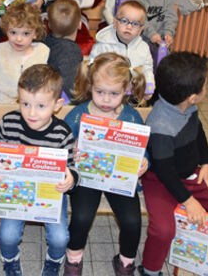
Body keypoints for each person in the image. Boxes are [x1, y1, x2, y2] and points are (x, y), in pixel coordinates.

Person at [139, 52, 208, 276]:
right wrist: (189, 201)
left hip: (190, 175)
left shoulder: (187, 107)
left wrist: (206, 163)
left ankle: (194, 253)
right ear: (192, 96)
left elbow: (197, 131)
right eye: (205, 85)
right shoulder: (161, 126)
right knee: (163, 230)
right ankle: (149, 270)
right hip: (160, 180)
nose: (207, 88)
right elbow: (164, 170)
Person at [0, 64, 78, 276]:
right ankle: (10, 260)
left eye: (41, 106)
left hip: (50, 193)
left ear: (57, 105)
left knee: (60, 238)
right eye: (25, 103)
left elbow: (72, 166)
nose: (32, 113)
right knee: (6, 236)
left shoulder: (62, 132)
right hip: (15, 193)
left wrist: (70, 179)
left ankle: (54, 260)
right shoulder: (9, 123)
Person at [63, 53, 148, 276]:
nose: (106, 100)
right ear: (90, 85)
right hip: (86, 177)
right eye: (99, 92)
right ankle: (73, 259)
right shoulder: (78, 115)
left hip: (119, 178)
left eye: (114, 94)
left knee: (132, 220)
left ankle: (126, 263)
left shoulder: (131, 117)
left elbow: (142, 148)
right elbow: (59, 141)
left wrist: (144, 162)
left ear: (126, 90)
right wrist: (71, 149)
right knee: (81, 217)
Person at [0, 2, 49, 103]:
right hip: (2, 104)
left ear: (35, 33)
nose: (18, 39)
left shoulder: (43, 52)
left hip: (32, 107)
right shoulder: (1, 50)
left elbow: (47, 84)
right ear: (6, 30)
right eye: (13, 32)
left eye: (26, 33)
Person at [90, 1, 155, 100]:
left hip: (133, 94)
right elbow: (92, 67)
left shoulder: (143, 48)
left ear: (141, 29)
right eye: (124, 21)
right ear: (115, 23)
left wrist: (149, 87)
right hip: (107, 95)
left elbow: (147, 69)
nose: (129, 27)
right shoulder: (103, 45)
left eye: (135, 24)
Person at [44, 0, 82, 102]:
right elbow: (70, 83)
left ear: (49, 25)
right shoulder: (72, 51)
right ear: (80, 24)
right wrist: (78, 100)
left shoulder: (46, 41)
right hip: (61, 99)